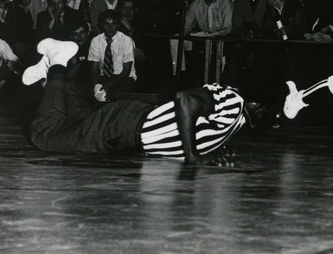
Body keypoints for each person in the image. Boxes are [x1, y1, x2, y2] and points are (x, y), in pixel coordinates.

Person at [23, 39, 255, 166]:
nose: (275, 116)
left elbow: (203, 123)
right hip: (125, 127)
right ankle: (56, 61)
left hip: (128, 122)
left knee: (79, 119)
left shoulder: (238, 115)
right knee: (45, 135)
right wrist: (193, 155)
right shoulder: (235, 101)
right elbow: (185, 100)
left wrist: (212, 146)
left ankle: (53, 69)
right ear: (256, 104)